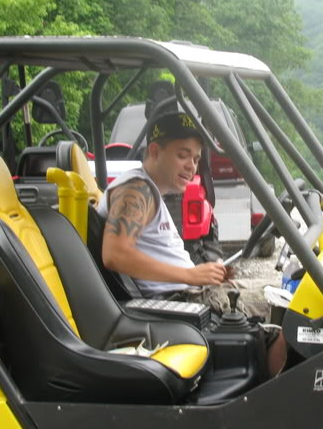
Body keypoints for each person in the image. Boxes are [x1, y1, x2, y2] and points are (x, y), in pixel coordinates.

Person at [97, 112, 277, 317]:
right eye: (183, 155)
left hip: (191, 292)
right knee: (288, 309)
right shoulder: (136, 190)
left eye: (196, 158)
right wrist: (191, 275)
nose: (191, 166)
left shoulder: (147, 190)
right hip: (180, 301)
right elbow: (115, 254)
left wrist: (204, 275)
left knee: (281, 291)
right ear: (155, 151)